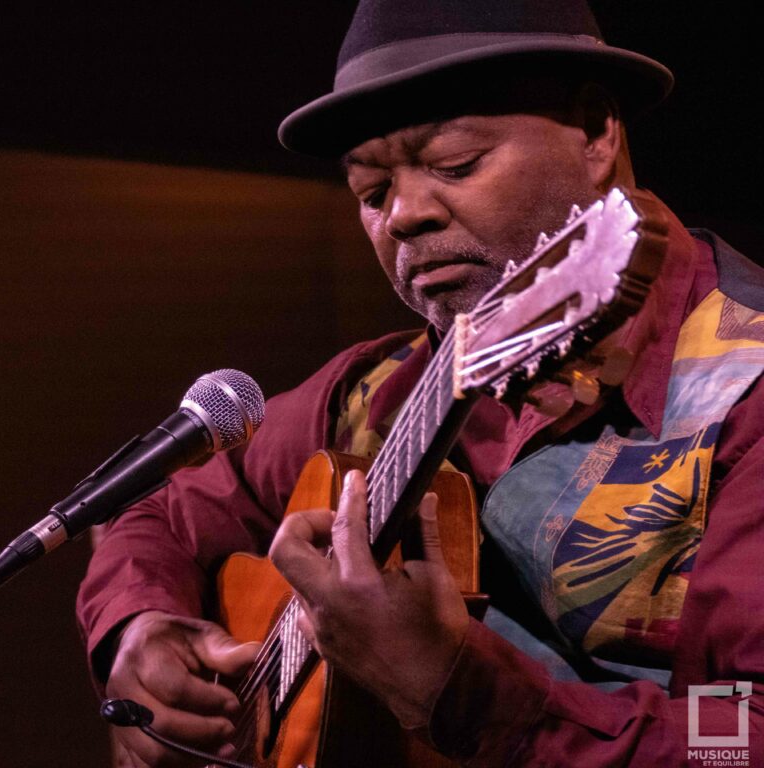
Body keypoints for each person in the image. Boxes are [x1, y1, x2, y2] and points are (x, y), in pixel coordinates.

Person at [78, 1, 764, 765]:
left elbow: (741, 732)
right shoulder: (373, 392)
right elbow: (154, 505)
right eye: (372, 194)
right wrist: (137, 629)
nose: (402, 216)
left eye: (454, 164)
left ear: (598, 131)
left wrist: (456, 687)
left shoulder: (747, 391)